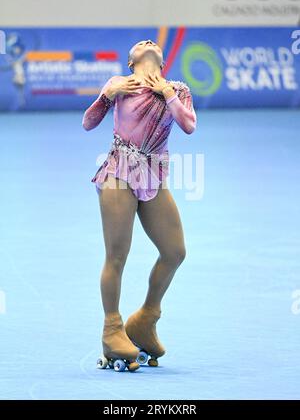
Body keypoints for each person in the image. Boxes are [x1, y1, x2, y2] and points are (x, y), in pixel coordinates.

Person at [82, 39, 197, 372]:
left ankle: (145, 319)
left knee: (175, 251)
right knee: (117, 256)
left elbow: (189, 125)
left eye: (154, 43)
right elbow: (88, 123)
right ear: (130, 62)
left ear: (162, 60)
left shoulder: (178, 89)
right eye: (141, 44)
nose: (148, 42)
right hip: (118, 172)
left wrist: (168, 93)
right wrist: (107, 94)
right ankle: (112, 328)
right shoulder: (120, 85)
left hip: (153, 176)